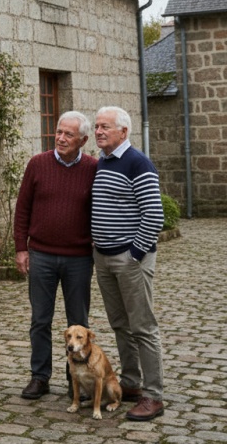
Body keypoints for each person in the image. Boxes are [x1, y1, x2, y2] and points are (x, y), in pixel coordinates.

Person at [13, 111, 98, 400]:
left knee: (78, 321)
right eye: (58, 132)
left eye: (68, 134)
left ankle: (77, 378)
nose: (60, 138)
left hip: (78, 258)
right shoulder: (37, 164)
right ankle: (40, 377)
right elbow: (22, 208)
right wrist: (21, 248)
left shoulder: (93, 168)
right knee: (40, 320)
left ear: (83, 140)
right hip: (42, 255)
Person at [92, 106, 165, 422]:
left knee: (143, 327)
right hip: (104, 258)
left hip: (129, 259)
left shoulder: (138, 163)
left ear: (123, 131)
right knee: (120, 324)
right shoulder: (103, 163)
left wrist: (134, 254)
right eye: (96, 127)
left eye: (105, 126)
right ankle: (132, 384)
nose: (98, 132)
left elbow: (154, 215)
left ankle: (153, 396)